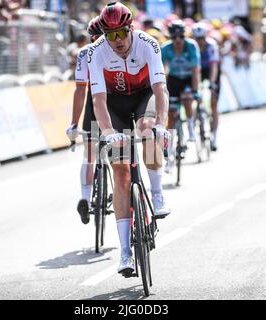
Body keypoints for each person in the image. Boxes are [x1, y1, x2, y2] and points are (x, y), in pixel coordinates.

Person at [88, 2, 171, 276]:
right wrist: (109, 133)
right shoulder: (96, 52)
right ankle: (124, 252)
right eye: (110, 35)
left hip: (144, 95)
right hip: (114, 104)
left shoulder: (149, 44)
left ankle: (158, 196)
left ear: (130, 28)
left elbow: (160, 90)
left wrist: (162, 125)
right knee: (121, 172)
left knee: (148, 129)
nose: (118, 41)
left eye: (122, 33)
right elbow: (98, 101)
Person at [66, 16, 103, 224]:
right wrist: (73, 124)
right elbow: (80, 90)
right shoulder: (84, 54)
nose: (98, 42)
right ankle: (86, 201)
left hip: (117, 101)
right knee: (89, 152)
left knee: (120, 155)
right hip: (95, 100)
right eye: (94, 38)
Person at [161, 20, 201, 170]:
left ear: (184, 36)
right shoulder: (166, 49)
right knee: (171, 114)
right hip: (174, 79)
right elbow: (161, 72)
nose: (178, 40)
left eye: (181, 37)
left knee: (187, 99)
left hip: (188, 79)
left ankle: (190, 127)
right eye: (174, 37)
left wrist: (195, 91)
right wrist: (162, 92)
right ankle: (169, 153)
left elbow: (196, 70)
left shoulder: (191, 46)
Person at [192, 22, 221, 151]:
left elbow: (214, 66)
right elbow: (194, 69)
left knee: (213, 103)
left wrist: (212, 83)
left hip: (211, 71)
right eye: (197, 39)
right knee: (194, 94)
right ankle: (197, 115)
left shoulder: (212, 45)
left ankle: (214, 137)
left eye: (202, 38)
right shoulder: (192, 47)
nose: (200, 41)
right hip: (199, 71)